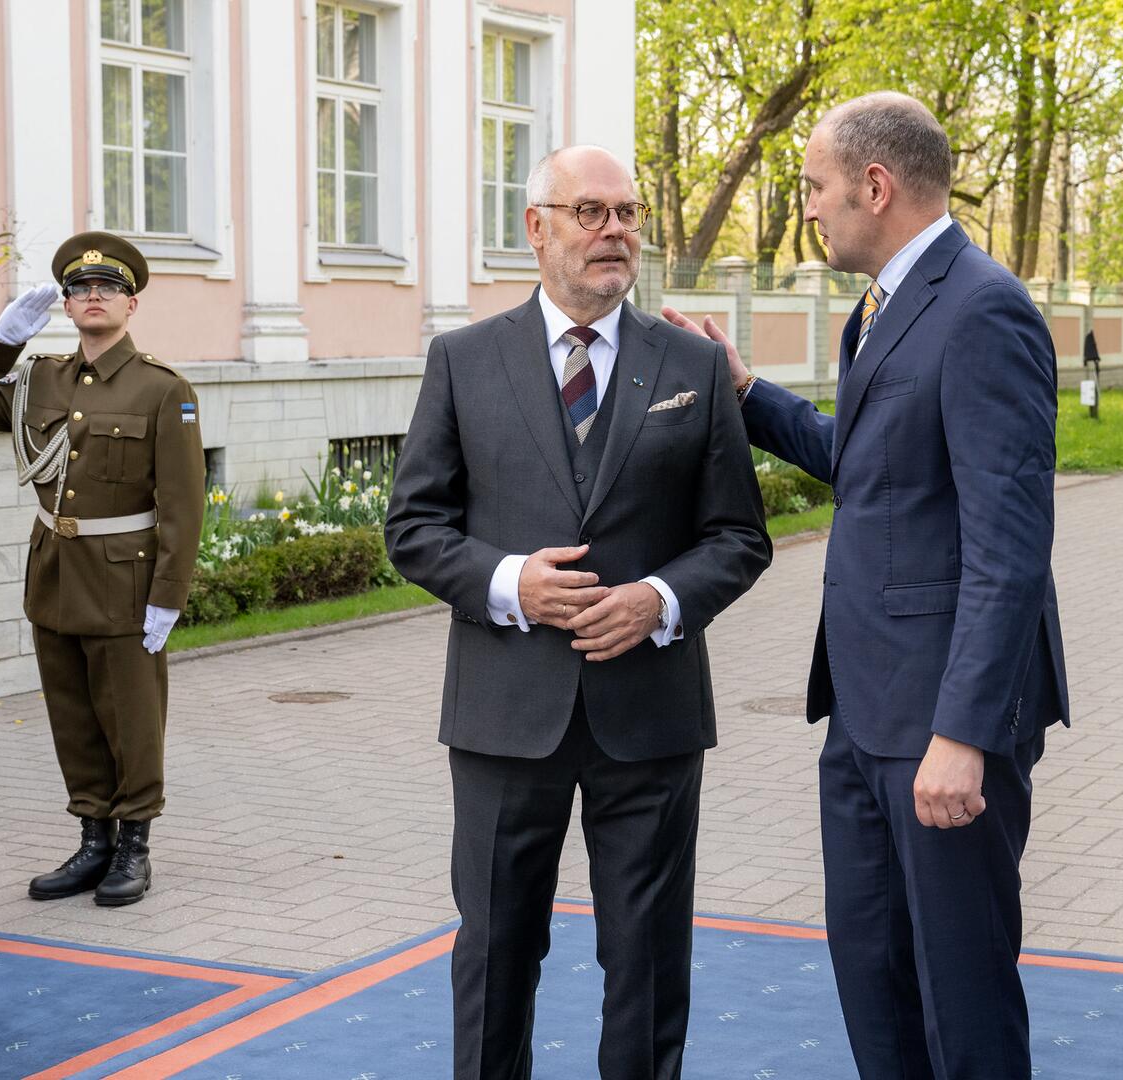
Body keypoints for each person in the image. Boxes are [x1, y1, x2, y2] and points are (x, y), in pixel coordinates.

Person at [665, 92, 1070, 1078]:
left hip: (940, 725)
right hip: (863, 712)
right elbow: (869, 460)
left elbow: (1009, 549)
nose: (808, 206)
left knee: (961, 1004)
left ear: (875, 185)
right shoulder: (885, 302)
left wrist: (963, 737)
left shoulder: (983, 309)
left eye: (816, 186)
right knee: (875, 984)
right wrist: (747, 391)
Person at [386, 145, 771, 1080]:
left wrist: (660, 600)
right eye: (590, 212)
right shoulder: (464, 360)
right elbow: (414, 527)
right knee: (496, 951)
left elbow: (738, 536)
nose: (615, 232)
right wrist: (510, 583)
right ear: (537, 227)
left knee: (647, 960)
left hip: (651, 717)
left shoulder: (692, 362)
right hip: (504, 714)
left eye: (628, 214)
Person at [0, 232, 205, 907]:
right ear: (66, 306)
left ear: (131, 304)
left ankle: (134, 847)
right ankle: (93, 840)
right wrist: (1, 341)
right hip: (55, 572)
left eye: (107, 288)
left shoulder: (163, 388)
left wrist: (169, 594)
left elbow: (183, 503)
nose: (93, 296)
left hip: (125, 581)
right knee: (72, 716)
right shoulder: (40, 377)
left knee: (131, 719)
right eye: (80, 289)